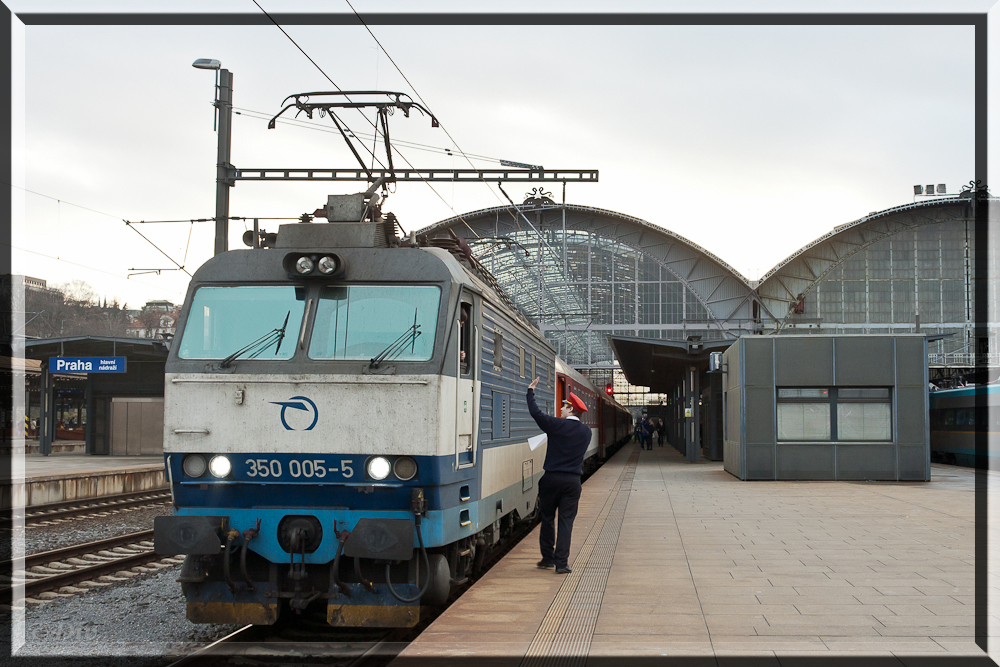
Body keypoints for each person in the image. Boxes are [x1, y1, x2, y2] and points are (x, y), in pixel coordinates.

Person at [526, 377, 591, 575]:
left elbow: (536, 414)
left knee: (547, 518)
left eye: (564, 407)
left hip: (551, 479)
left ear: (571, 410)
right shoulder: (586, 432)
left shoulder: (556, 426)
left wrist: (530, 392)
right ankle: (562, 564)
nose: (561, 409)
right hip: (572, 482)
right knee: (566, 522)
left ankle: (547, 558)